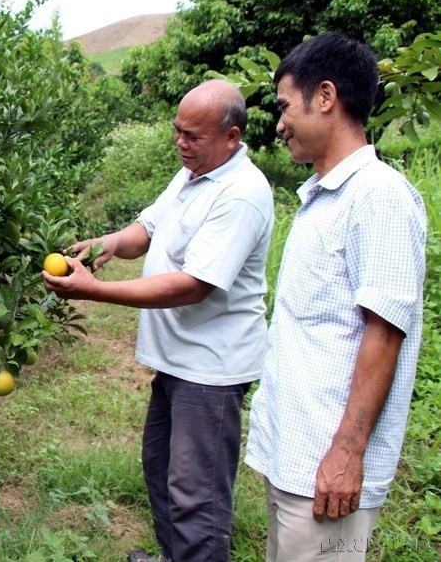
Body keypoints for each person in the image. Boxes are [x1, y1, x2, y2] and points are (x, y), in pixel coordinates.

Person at [44, 79, 274, 562]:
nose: (180, 143)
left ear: (231, 137)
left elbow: (194, 284)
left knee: (197, 493)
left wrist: (96, 291)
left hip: (209, 370)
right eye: (177, 132)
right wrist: (102, 245)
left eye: (193, 136)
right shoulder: (193, 173)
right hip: (177, 363)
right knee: (162, 468)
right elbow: (146, 230)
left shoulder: (241, 193)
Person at [244, 33, 426, 561]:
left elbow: (385, 331)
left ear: (325, 97)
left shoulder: (379, 197)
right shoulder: (324, 198)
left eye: (284, 106)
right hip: (297, 454)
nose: (279, 124)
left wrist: (346, 453)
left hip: (328, 467)